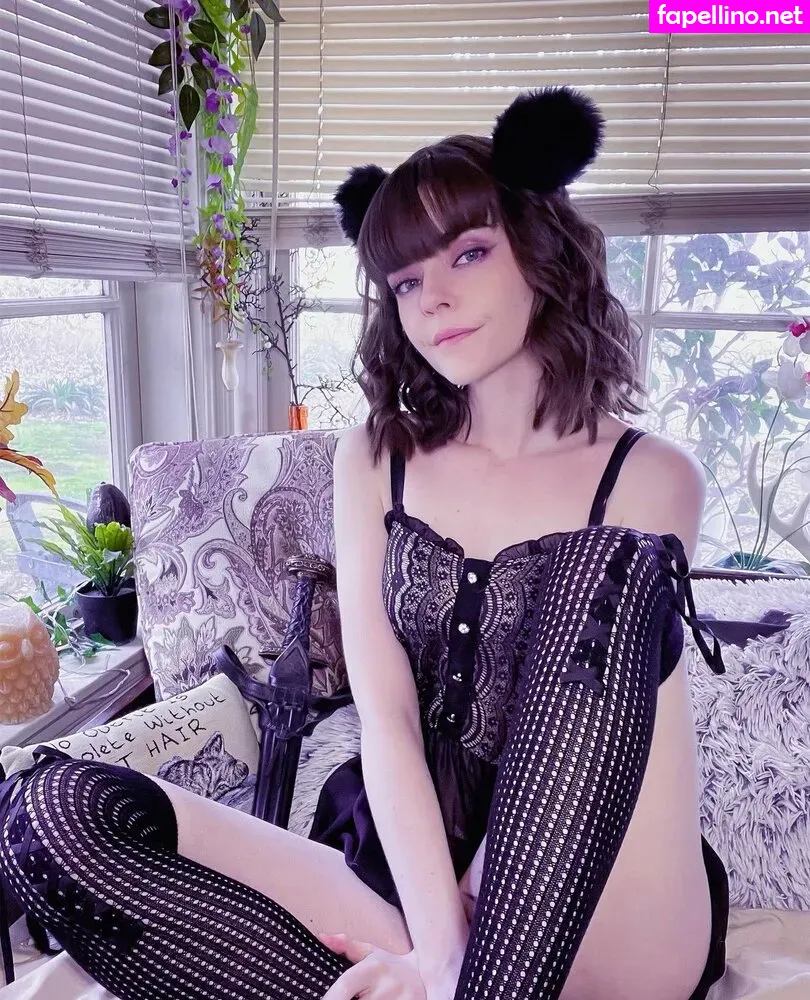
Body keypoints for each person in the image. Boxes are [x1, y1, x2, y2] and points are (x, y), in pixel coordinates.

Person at [0, 86, 728, 1000]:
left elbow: (582, 733)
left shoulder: (652, 475)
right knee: (50, 812)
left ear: (541, 248)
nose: (435, 299)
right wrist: (438, 948)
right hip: (414, 857)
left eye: (469, 253)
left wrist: (453, 958)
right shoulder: (376, 458)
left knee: (601, 571)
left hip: (600, 865)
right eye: (407, 281)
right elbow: (386, 719)